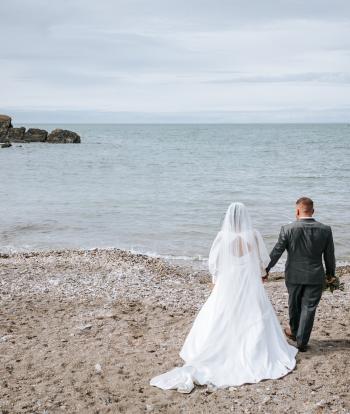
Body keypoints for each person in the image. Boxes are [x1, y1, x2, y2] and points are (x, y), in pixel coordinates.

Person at [150, 202, 297, 393]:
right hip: (249, 281)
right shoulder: (254, 235)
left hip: (228, 282)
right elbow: (263, 260)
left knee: (221, 312)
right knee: (253, 311)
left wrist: (215, 279)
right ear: (245, 217)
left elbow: (214, 262)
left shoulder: (222, 237)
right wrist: (262, 274)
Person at [265, 197, 335, 352]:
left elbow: (277, 251)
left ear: (297, 211)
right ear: (313, 211)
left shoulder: (287, 229)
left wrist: (266, 270)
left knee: (294, 304)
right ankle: (302, 341)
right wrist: (331, 274)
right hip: (316, 275)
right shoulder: (325, 229)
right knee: (309, 308)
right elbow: (329, 256)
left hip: (294, 275)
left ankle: (295, 332)